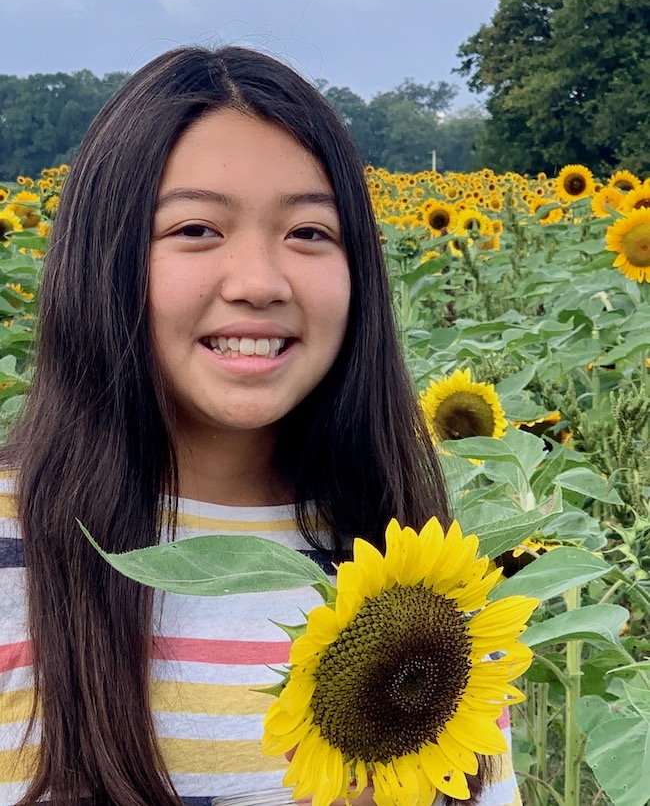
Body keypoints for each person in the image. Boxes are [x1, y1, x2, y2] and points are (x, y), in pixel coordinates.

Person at [0, 46, 521, 806]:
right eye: (196, 229)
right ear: (103, 257)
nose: (259, 282)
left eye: (309, 232)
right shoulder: (17, 554)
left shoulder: (415, 564)